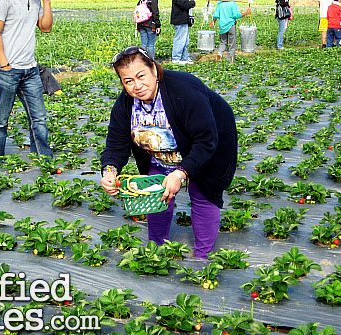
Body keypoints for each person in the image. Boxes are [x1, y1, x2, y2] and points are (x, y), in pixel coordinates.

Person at [100, 46, 238, 259]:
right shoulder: (125, 104)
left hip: (207, 145)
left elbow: (205, 140)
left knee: (202, 194)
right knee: (156, 193)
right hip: (163, 152)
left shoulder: (184, 90)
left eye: (141, 76)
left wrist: (180, 173)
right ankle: (156, 252)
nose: (137, 86)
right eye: (128, 81)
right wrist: (110, 170)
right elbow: (116, 143)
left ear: (154, 70)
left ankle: (202, 257)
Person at [0, 0, 53, 157]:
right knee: (1, 119)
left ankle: (43, 159)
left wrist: (47, 3)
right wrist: (4, 64)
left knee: (39, 118)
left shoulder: (36, 2)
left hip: (30, 69)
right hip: (8, 69)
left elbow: (46, 27)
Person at [171, 0, 196, 65]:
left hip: (183, 20)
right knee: (180, 40)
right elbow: (184, 4)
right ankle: (176, 58)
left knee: (185, 41)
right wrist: (192, 3)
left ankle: (185, 58)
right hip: (179, 20)